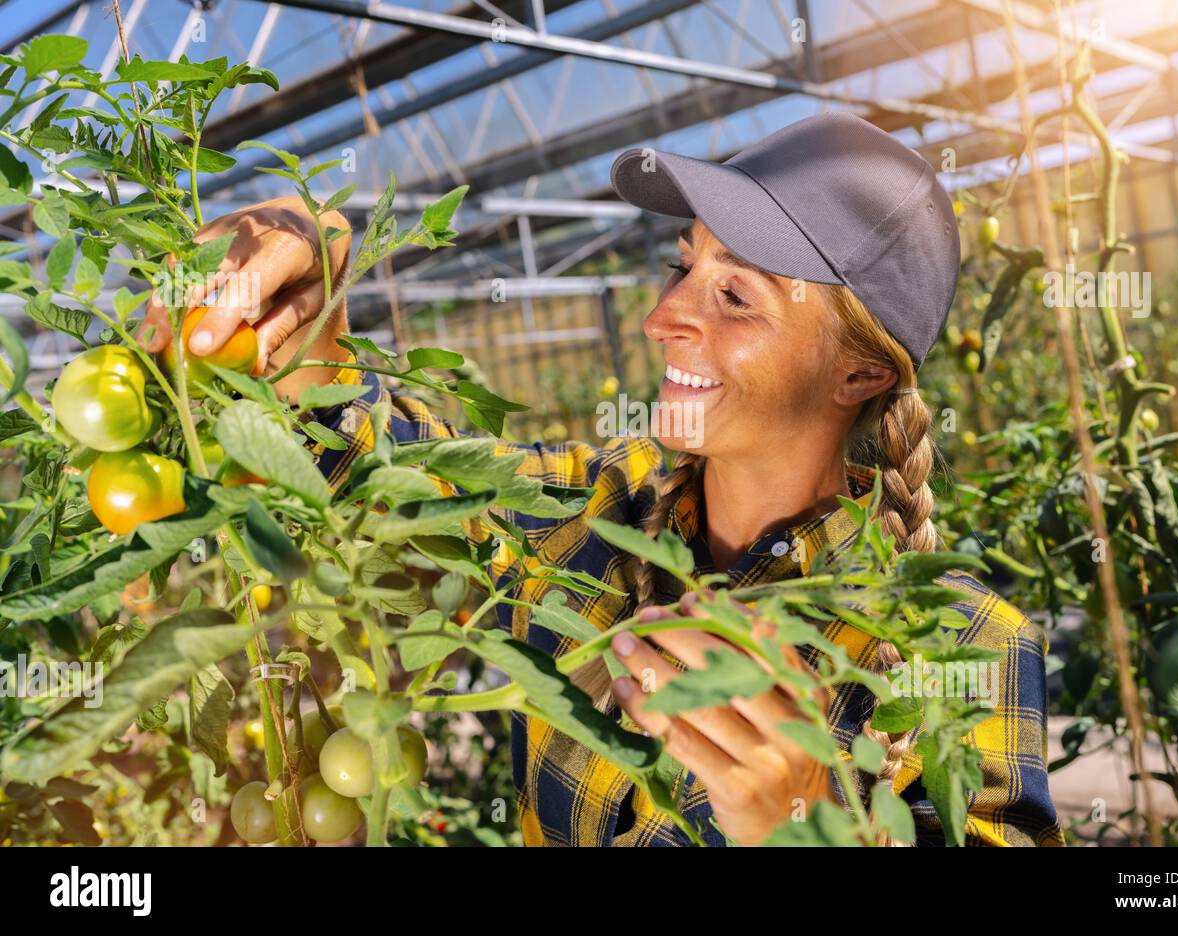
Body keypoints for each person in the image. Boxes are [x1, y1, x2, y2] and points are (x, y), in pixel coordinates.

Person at [141, 112, 1063, 847]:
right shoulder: (585, 511)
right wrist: (310, 300)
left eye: (735, 295)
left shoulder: (960, 641)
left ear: (860, 375)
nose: (664, 315)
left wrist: (817, 823)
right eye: (683, 266)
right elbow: (380, 465)